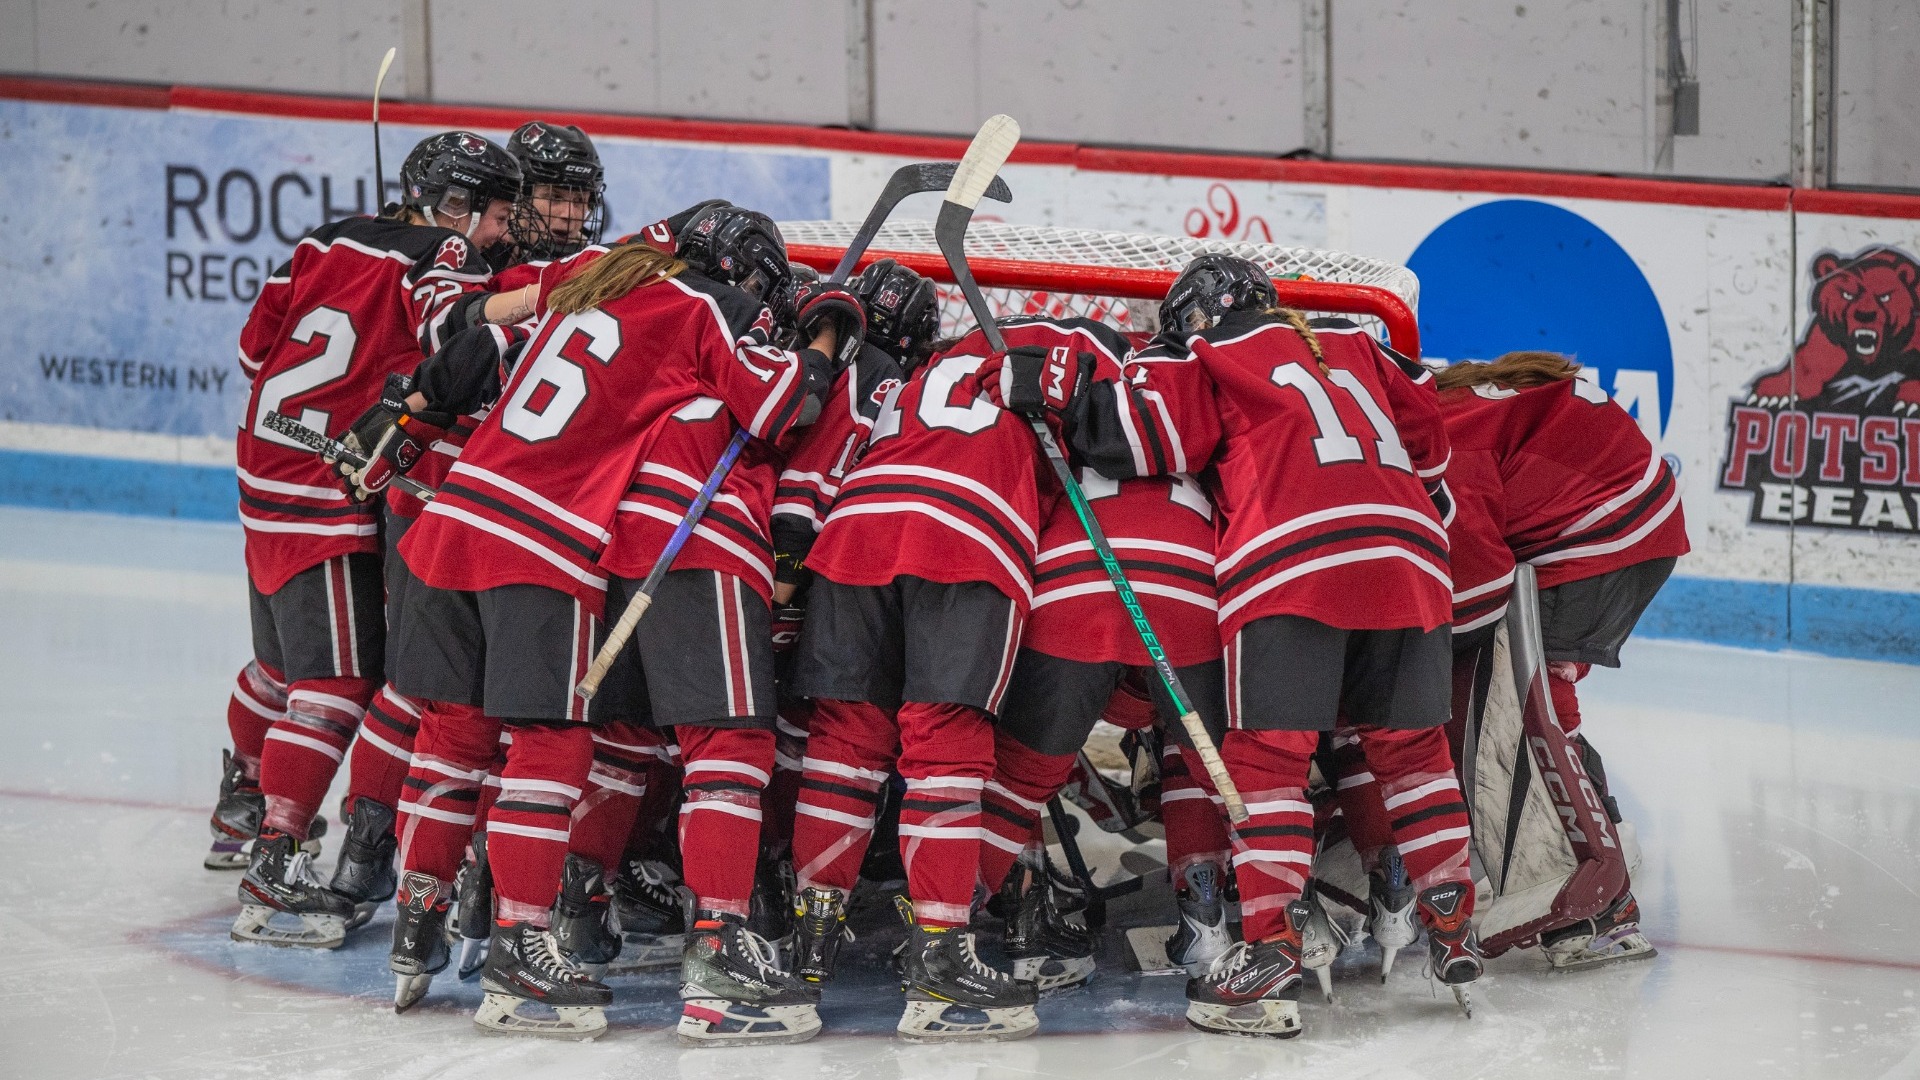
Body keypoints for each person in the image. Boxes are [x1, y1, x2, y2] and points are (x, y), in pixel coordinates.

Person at [381, 204, 845, 1038]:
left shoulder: (588, 279)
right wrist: (824, 336)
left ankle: (420, 920)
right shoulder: (704, 308)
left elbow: (473, 325)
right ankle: (548, 952)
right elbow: (782, 409)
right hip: (541, 538)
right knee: (558, 744)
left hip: (449, 520)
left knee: (456, 731)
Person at [1046, 254, 1481, 1038]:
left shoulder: (1205, 354)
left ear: (1196, 318)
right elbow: (1433, 453)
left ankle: (1270, 943)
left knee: (1268, 760)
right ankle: (1451, 920)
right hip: (1412, 554)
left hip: (1289, 562)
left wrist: (1055, 396)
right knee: (1414, 753)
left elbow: (1138, 440)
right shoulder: (1361, 342)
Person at [785, 312, 1135, 1042]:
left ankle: (807, 945)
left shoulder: (930, 365)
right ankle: (941, 957)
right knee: (946, 745)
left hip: (858, 522)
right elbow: (1113, 433)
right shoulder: (1082, 349)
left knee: (846, 742)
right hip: (966, 532)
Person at [221, 131, 526, 950]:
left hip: (263, 467)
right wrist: (547, 295)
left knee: (282, 663)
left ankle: (241, 807)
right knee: (338, 682)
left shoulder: (324, 237)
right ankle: (274, 863)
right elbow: (453, 322)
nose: (504, 232)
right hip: (328, 486)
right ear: (455, 206)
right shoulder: (449, 252)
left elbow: (255, 349)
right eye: (499, 213)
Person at [1435, 349, 1688, 971]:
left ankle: (1599, 898)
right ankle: (1602, 836)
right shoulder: (1460, 401)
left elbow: (1477, 576)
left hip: (1594, 540)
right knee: (1539, 701)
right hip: (1634, 525)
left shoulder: (1444, 436)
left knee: (1511, 707)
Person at [491, 121, 606, 269]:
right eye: (555, 197)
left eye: (579, 200)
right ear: (519, 196)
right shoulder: (481, 253)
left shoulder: (592, 266)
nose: (569, 214)